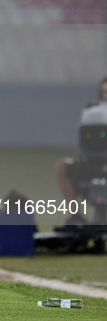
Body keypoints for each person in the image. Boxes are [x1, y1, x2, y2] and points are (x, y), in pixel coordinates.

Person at [55, 76, 107, 226]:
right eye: (104, 92)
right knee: (63, 166)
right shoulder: (91, 111)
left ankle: (101, 212)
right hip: (91, 165)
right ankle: (76, 216)